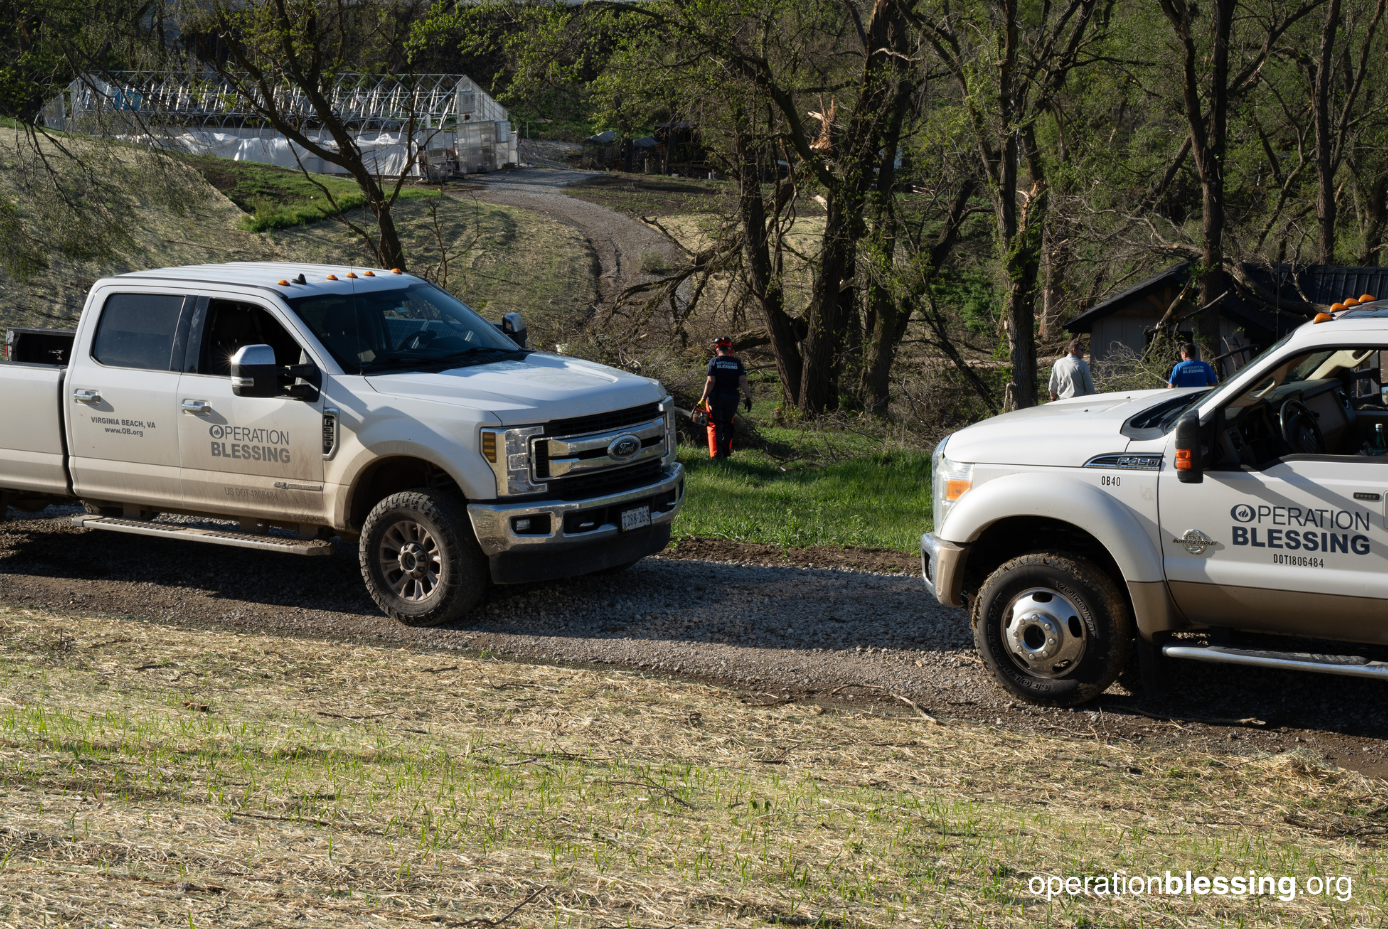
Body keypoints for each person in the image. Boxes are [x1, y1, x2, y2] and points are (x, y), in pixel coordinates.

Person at [698, 336, 752, 459]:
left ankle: (716, 455)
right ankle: (725, 453)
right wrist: (748, 397)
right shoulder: (737, 362)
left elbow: (711, 381)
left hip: (716, 397)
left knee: (714, 424)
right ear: (730, 349)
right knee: (728, 424)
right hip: (732, 397)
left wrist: (703, 398)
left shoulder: (714, 361)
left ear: (717, 349)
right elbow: (743, 380)